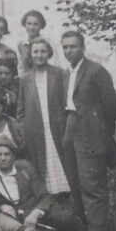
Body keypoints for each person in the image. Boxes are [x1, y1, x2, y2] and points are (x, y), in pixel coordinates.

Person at [58, 30, 116, 231]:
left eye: (73, 46)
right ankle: (81, 228)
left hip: (91, 130)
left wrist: (101, 130)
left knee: (92, 184)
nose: (69, 51)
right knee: (73, 180)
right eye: (65, 47)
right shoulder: (66, 73)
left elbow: (112, 106)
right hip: (70, 128)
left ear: (82, 48)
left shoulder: (96, 71)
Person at [18, 37, 72, 197]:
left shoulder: (60, 74)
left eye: (43, 51)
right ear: (31, 54)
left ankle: (66, 198)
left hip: (57, 127)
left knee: (62, 164)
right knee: (41, 166)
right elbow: (21, 109)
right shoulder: (25, 79)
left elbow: (67, 103)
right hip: (35, 131)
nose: (39, 55)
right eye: (36, 51)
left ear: (48, 53)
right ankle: (47, 201)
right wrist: (23, 129)